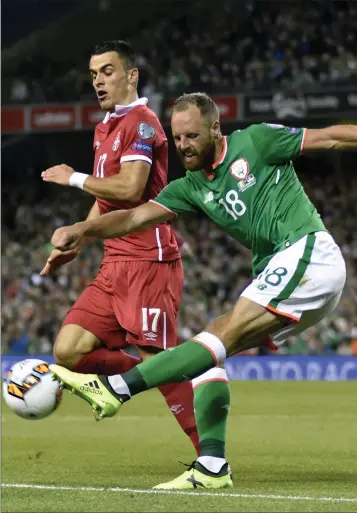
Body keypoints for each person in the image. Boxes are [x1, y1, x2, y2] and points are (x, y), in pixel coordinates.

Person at [49, 92, 355, 481]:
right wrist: (84, 230)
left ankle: (116, 389)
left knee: (218, 333)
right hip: (287, 270)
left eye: (191, 136)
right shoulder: (191, 187)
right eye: (177, 139)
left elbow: (329, 138)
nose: (183, 146)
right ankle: (212, 465)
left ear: (215, 128)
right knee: (210, 355)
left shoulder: (256, 140)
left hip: (307, 252)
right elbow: (131, 219)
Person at [40, 48, 233, 490]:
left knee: (154, 359)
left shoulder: (142, 122)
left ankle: (211, 462)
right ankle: (168, 371)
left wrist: (73, 176)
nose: (98, 81)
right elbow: (105, 201)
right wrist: (81, 239)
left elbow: (129, 190)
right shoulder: (105, 127)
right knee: (69, 351)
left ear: (131, 75)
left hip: (149, 258)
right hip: (114, 260)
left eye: (107, 72)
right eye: (92, 74)